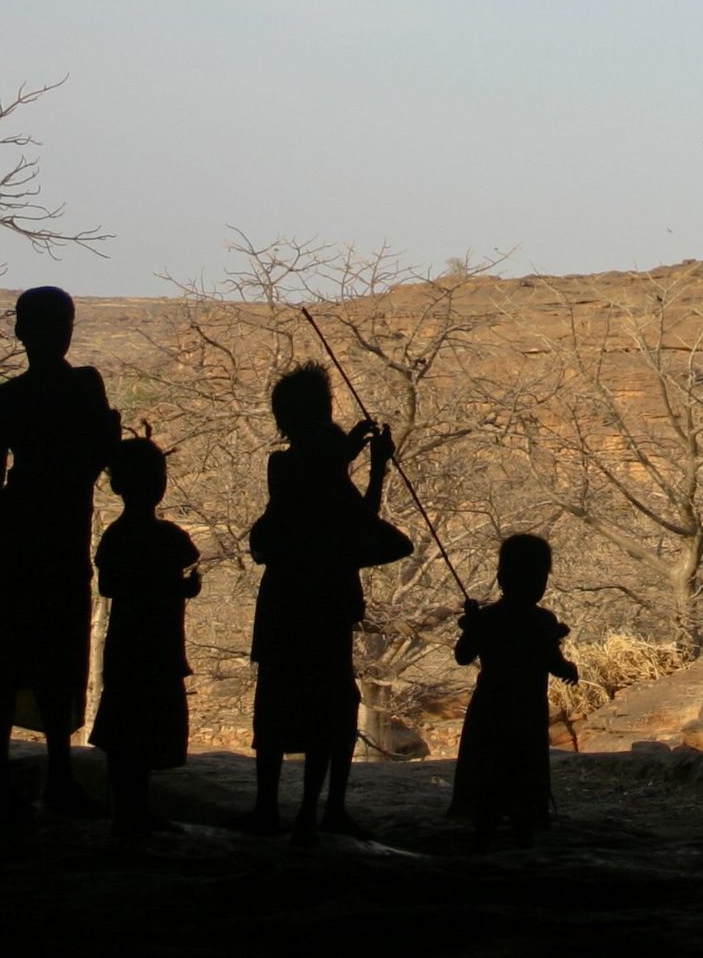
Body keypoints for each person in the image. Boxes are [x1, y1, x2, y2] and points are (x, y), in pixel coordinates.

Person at [0, 286, 121, 824]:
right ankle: (55, 776)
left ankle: (3, 772)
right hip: (57, 528)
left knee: (9, 653)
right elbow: (97, 460)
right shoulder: (83, 387)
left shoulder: (10, 397)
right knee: (54, 649)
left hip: (19, 526)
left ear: (19, 330)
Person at [243, 362, 409, 841]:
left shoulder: (308, 465)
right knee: (321, 702)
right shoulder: (293, 466)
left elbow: (353, 515)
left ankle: (281, 809)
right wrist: (359, 463)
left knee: (296, 701)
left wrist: (365, 465)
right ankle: (311, 811)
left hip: (290, 601)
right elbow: (350, 515)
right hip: (317, 601)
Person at [91, 433, 201, 839]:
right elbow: (183, 572)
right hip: (159, 645)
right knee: (148, 725)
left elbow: (110, 586)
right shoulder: (170, 537)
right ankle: (136, 810)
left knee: (125, 730)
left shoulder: (117, 536)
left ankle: (128, 810)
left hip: (126, 644)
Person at [449, 533, 578, 846]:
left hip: (490, 707)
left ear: (501, 577)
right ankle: (524, 828)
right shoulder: (543, 621)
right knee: (524, 766)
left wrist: (472, 623)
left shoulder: (488, 619)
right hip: (527, 708)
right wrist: (570, 670)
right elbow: (554, 662)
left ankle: (485, 827)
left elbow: (463, 657)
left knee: (489, 766)